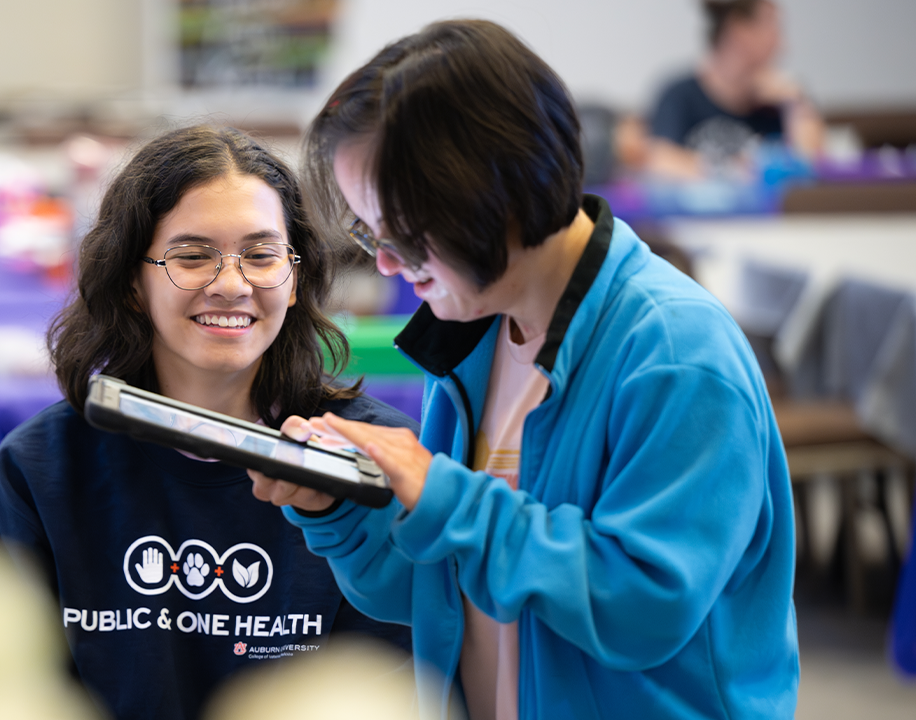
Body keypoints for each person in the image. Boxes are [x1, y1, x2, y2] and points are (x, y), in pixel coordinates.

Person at [250, 19, 799, 719]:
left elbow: (641, 608)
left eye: (403, 235)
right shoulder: (476, 332)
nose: (386, 265)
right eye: (368, 234)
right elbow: (437, 588)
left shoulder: (676, 355)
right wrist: (333, 509)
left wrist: (445, 497)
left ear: (497, 195)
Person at [0, 125, 415, 720]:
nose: (231, 285)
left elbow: (382, 690)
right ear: (133, 282)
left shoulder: (367, 459)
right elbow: (13, 691)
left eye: (261, 256)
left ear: (294, 279)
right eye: (192, 256)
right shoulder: (42, 467)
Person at [646, 0, 823, 179]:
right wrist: (736, 170)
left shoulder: (783, 101)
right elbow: (660, 162)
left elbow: (811, 167)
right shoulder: (679, 95)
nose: (780, 44)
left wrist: (796, 104)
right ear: (739, 30)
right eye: (771, 27)